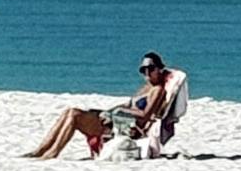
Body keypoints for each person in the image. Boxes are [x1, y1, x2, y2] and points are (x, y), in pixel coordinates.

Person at [28, 50, 187, 160]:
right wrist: (113, 111)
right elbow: (128, 105)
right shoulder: (146, 88)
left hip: (125, 127)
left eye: (150, 69)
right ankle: (42, 149)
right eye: (143, 70)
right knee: (69, 111)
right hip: (117, 118)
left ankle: (53, 152)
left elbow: (145, 116)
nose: (146, 73)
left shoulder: (157, 90)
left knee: (75, 116)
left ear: (159, 69)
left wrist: (120, 111)